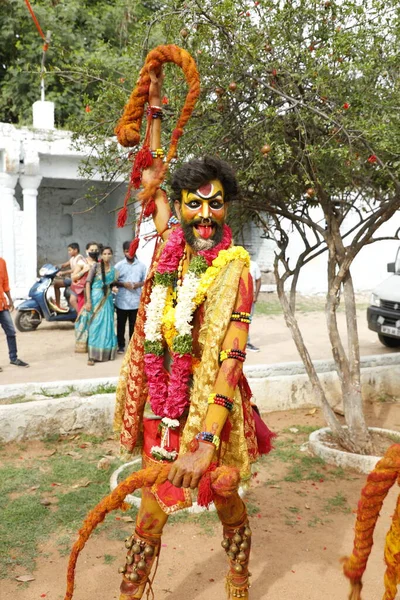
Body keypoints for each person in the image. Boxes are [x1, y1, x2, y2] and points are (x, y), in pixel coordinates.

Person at [114, 69, 274, 600]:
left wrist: (206, 444)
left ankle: (238, 576)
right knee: (152, 517)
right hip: (163, 411)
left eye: (216, 204)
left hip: (214, 413)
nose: (205, 216)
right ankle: (131, 591)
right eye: (194, 204)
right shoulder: (167, 252)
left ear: (226, 206)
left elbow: (232, 362)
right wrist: (154, 107)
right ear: (180, 206)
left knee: (226, 497)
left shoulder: (237, 270)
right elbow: (154, 174)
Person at [85, 246, 118, 366]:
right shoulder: (95, 267)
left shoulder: (113, 270)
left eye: (109, 253)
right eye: (104, 253)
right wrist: (88, 301)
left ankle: (106, 353)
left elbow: (111, 284)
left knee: (107, 325)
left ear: (112, 255)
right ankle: (92, 355)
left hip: (107, 299)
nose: (107, 256)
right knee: (95, 325)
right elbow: (88, 283)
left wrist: (113, 288)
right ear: (101, 255)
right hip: (96, 298)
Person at [114, 241, 147, 354]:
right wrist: (123, 284)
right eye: (127, 251)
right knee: (121, 324)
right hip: (122, 300)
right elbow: (113, 281)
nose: (130, 253)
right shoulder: (118, 266)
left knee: (134, 325)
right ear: (124, 252)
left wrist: (138, 284)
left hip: (135, 301)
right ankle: (121, 345)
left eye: (132, 250)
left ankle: (132, 345)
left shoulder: (142, 266)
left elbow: (145, 281)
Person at [0, 257, 29, 370]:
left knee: (11, 332)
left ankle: (13, 358)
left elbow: (5, 282)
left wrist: (10, 300)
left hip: (2, 304)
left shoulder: (2, 262)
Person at [53, 243, 86, 312]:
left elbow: (74, 269)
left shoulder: (79, 258)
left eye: (70, 250)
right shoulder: (73, 258)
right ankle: (58, 305)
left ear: (75, 250)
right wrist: (55, 266)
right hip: (73, 279)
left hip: (77, 281)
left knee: (56, 284)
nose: (69, 252)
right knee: (56, 284)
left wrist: (63, 272)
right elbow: (65, 264)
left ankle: (58, 305)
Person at [71, 241, 100, 316]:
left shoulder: (100, 263)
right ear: (87, 251)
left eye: (96, 250)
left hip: (97, 292)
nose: (94, 252)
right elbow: (73, 277)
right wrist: (84, 271)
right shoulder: (82, 262)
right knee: (84, 315)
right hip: (84, 293)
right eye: (92, 250)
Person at [247, 259, 262, 352]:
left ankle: (246, 343)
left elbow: (258, 280)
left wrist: (255, 295)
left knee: (247, 320)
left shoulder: (253, 265)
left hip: (250, 298)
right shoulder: (235, 263)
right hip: (237, 299)